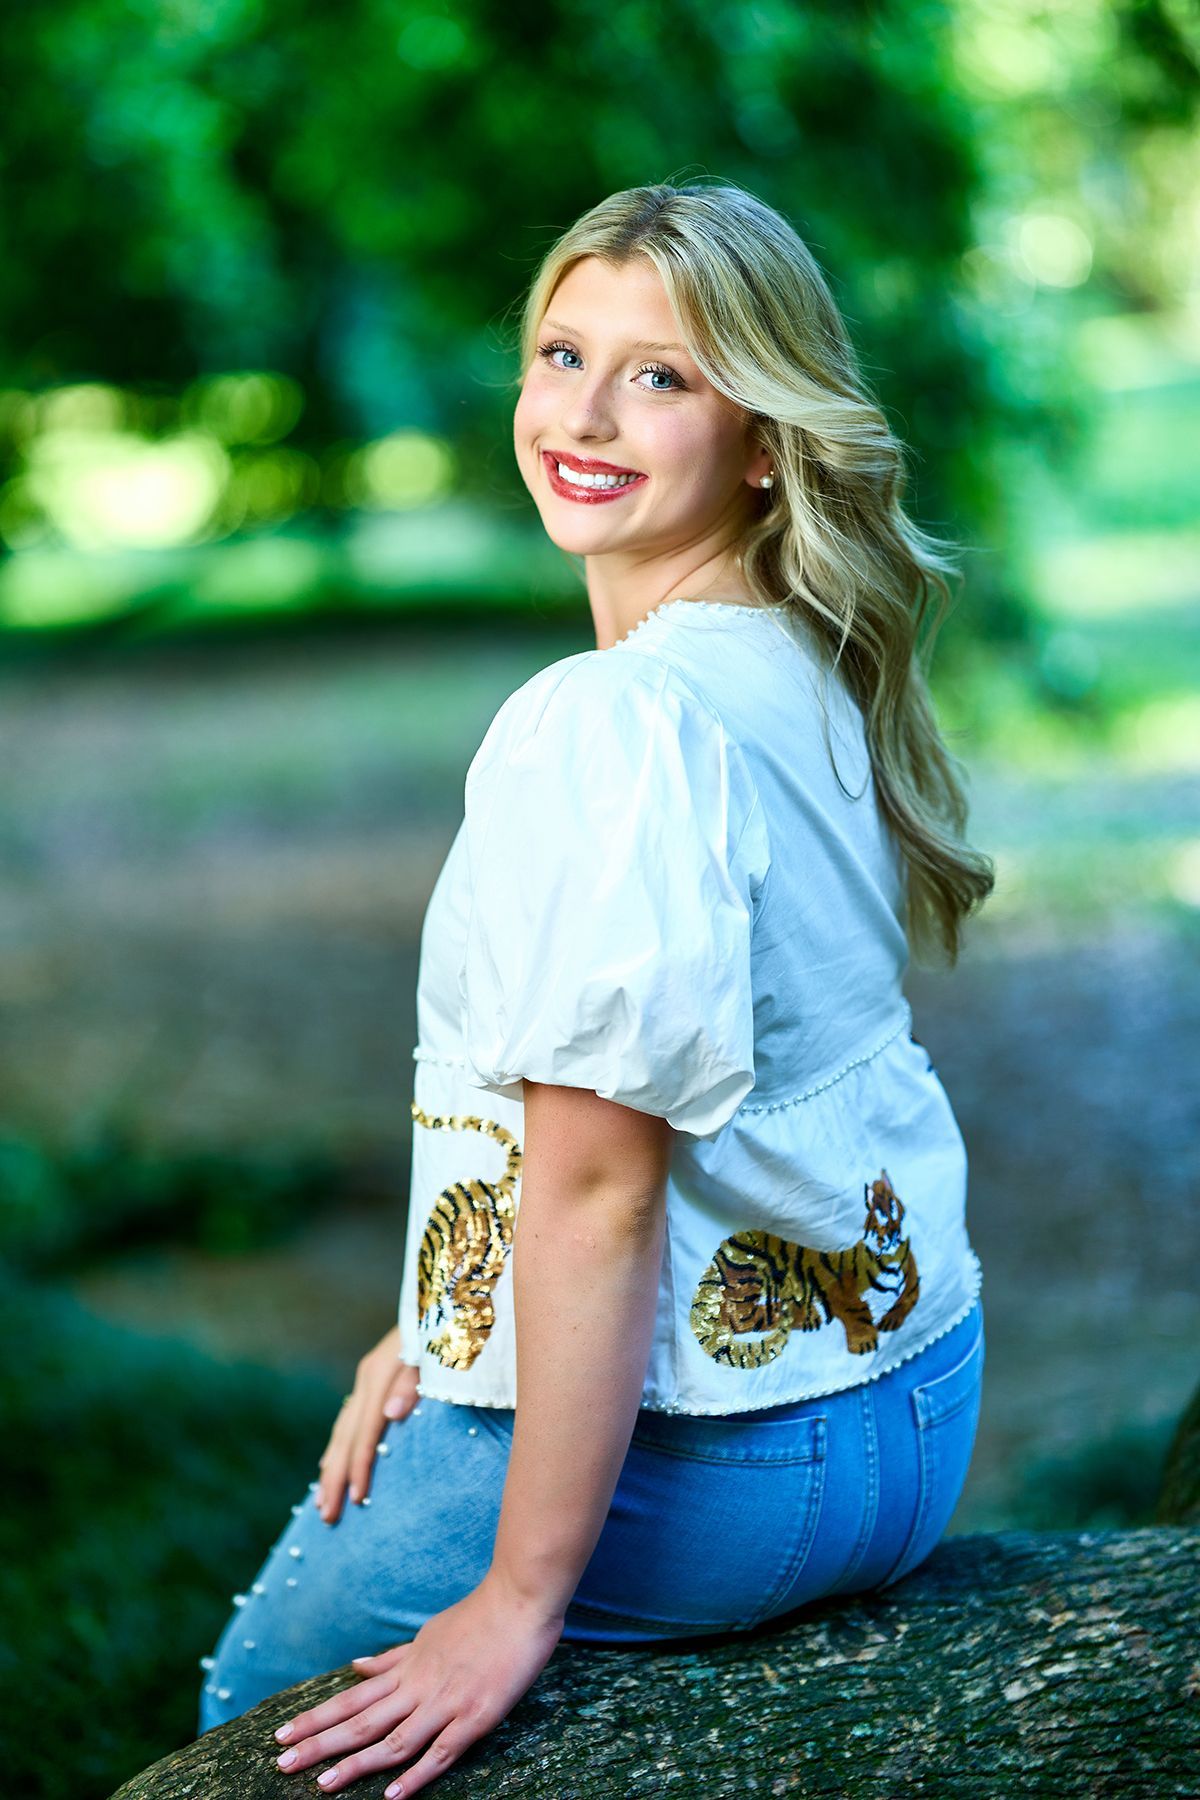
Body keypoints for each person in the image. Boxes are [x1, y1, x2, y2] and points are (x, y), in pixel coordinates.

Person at [196, 179, 994, 1797]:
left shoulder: (610, 726)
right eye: (563, 354)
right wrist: (437, 1310)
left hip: (733, 1460)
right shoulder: (803, 653)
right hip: (914, 1411)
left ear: (765, 435)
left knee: (249, 1703)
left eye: (664, 376)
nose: (586, 413)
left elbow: (601, 1194)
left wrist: (516, 1598)